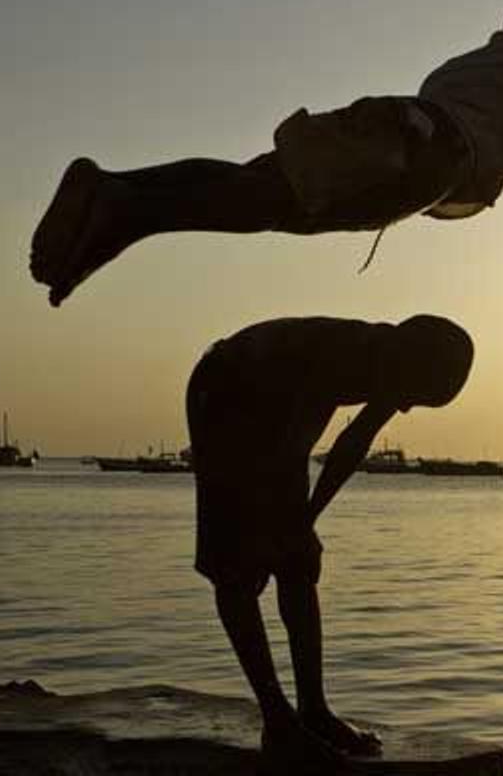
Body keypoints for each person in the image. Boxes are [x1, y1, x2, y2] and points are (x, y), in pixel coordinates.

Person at [30, 0, 503, 306]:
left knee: (256, 185)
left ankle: (122, 198)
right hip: (429, 159)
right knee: (263, 206)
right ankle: (121, 207)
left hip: (391, 117)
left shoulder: (461, 66)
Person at [186, 313, 473, 769]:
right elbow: (302, 444)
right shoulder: (337, 354)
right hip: (225, 391)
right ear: (408, 361)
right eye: (415, 395)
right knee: (237, 566)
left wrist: (306, 518)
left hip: (278, 416)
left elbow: (353, 442)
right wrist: (288, 522)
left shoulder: (390, 365)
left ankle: (313, 709)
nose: (405, 408)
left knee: (298, 559)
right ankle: (278, 721)